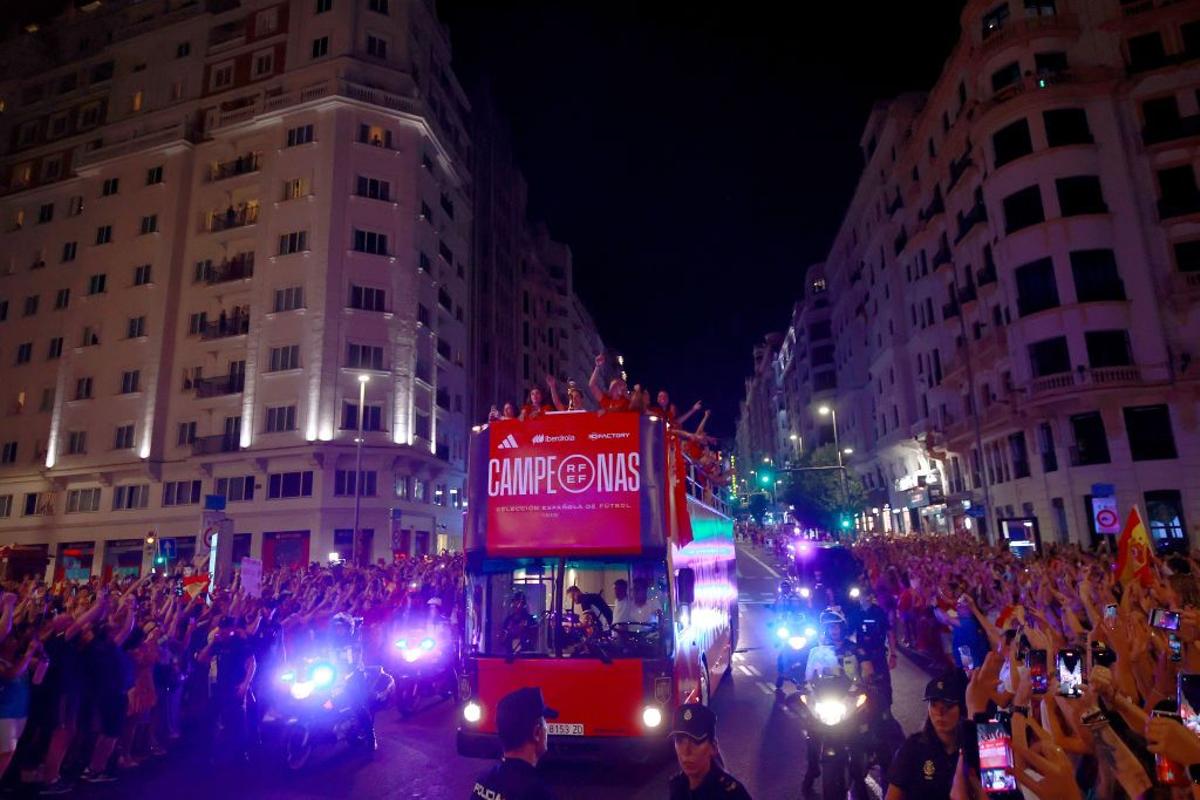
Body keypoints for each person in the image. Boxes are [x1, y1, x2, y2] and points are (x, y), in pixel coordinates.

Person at [884, 674, 964, 800]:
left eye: (948, 705)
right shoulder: (913, 748)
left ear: (963, 708)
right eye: (933, 704)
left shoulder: (973, 750)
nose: (940, 712)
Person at [469, 687, 556, 800]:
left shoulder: (482, 782)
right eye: (545, 723)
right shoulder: (538, 793)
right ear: (537, 733)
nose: (547, 729)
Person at [667, 702, 752, 800]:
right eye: (679, 741)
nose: (686, 751)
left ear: (713, 747)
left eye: (696, 742)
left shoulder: (732, 795)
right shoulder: (678, 786)